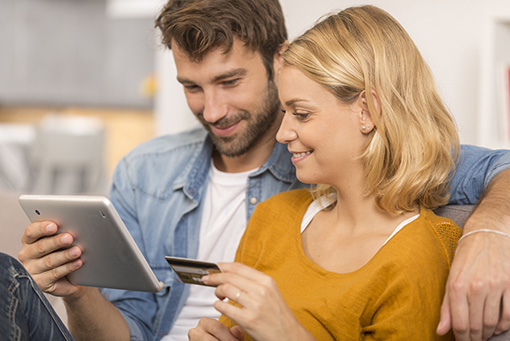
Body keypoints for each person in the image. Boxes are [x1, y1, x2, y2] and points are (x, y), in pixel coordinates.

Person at [13, 0, 510, 340]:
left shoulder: (366, 187)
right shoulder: (151, 173)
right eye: (192, 87)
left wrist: (488, 230)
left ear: (278, 59)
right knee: (8, 281)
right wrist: (79, 293)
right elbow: (133, 328)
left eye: (229, 81)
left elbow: (483, 167)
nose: (211, 110)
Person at [185, 4, 476, 339]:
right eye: (285, 111)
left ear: (367, 111)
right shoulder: (272, 219)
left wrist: (287, 333)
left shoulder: (417, 255)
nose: (282, 134)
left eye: (302, 114)